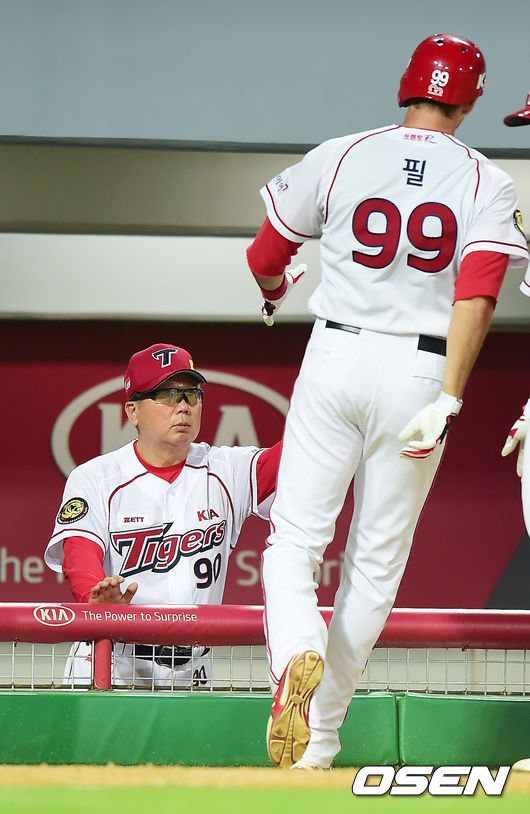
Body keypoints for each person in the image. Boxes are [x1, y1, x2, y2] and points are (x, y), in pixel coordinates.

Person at [245, 33, 529, 769]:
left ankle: (295, 656)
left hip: (337, 351)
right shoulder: (487, 180)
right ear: (470, 102)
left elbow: (265, 256)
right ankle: (321, 738)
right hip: (422, 370)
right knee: (374, 563)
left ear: (407, 84)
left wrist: (276, 292)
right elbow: (478, 294)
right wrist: (450, 397)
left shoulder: (342, 153)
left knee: (295, 538)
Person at [44, 342, 282, 688]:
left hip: (192, 670)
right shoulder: (96, 477)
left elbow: (299, 455)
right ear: (133, 411)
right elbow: (79, 555)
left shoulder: (226, 470)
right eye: (167, 394)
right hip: (114, 661)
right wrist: (96, 599)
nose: (183, 405)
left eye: (192, 394)